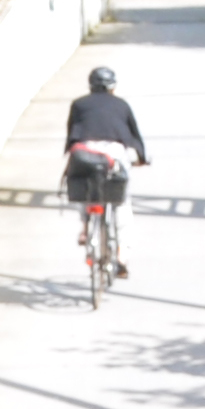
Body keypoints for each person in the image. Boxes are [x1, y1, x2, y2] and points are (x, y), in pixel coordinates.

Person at [61, 64, 148, 263]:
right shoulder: (121, 105)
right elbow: (134, 134)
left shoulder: (79, 104)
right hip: (113, 152)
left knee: (84, 185)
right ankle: (122, 252)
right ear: (113, 87)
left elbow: (72, 133)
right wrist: (141, 157)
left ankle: (85, 228)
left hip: (85, 151)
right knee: (122, 199)